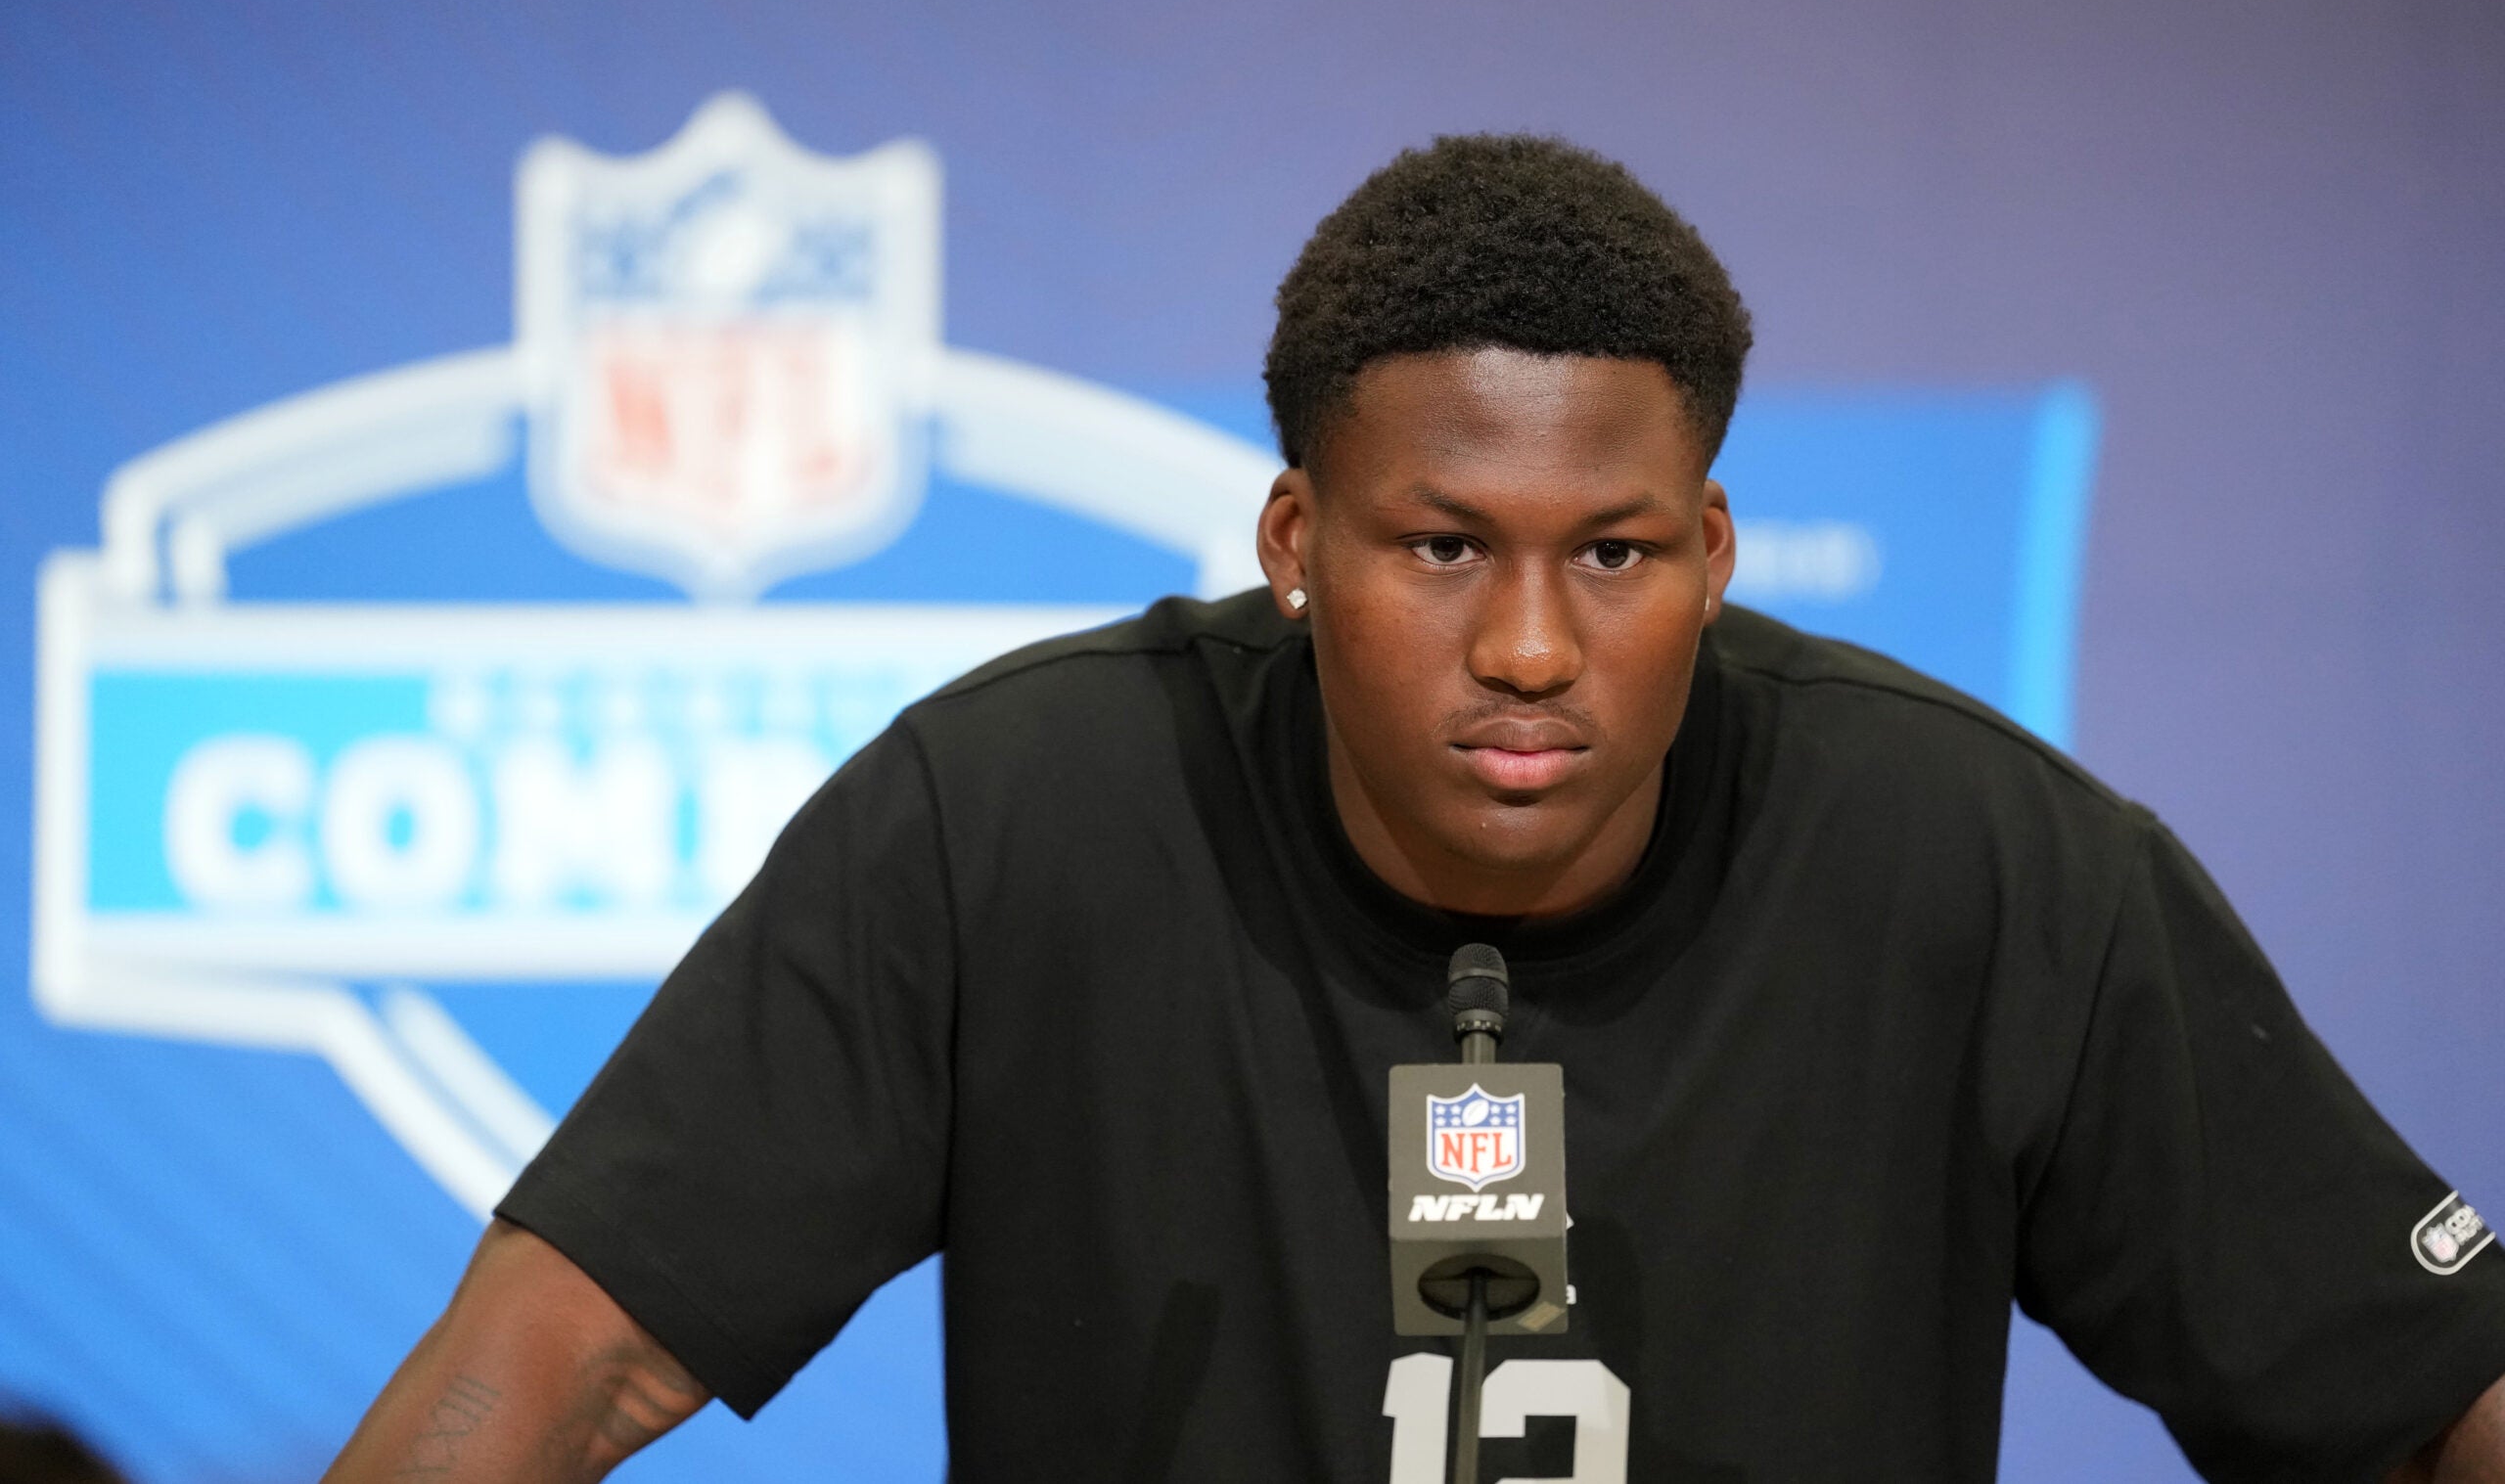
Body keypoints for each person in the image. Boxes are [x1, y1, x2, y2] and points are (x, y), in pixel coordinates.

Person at [324, 136, 2505, 1482]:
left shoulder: (1988, 862)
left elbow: (2415, 1398)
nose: (1535, 641)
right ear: (1293, 537)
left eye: (1616, 551)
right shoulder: (1009, 818)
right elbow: (561, 1359)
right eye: (1441, 544)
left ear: (1719, 549)